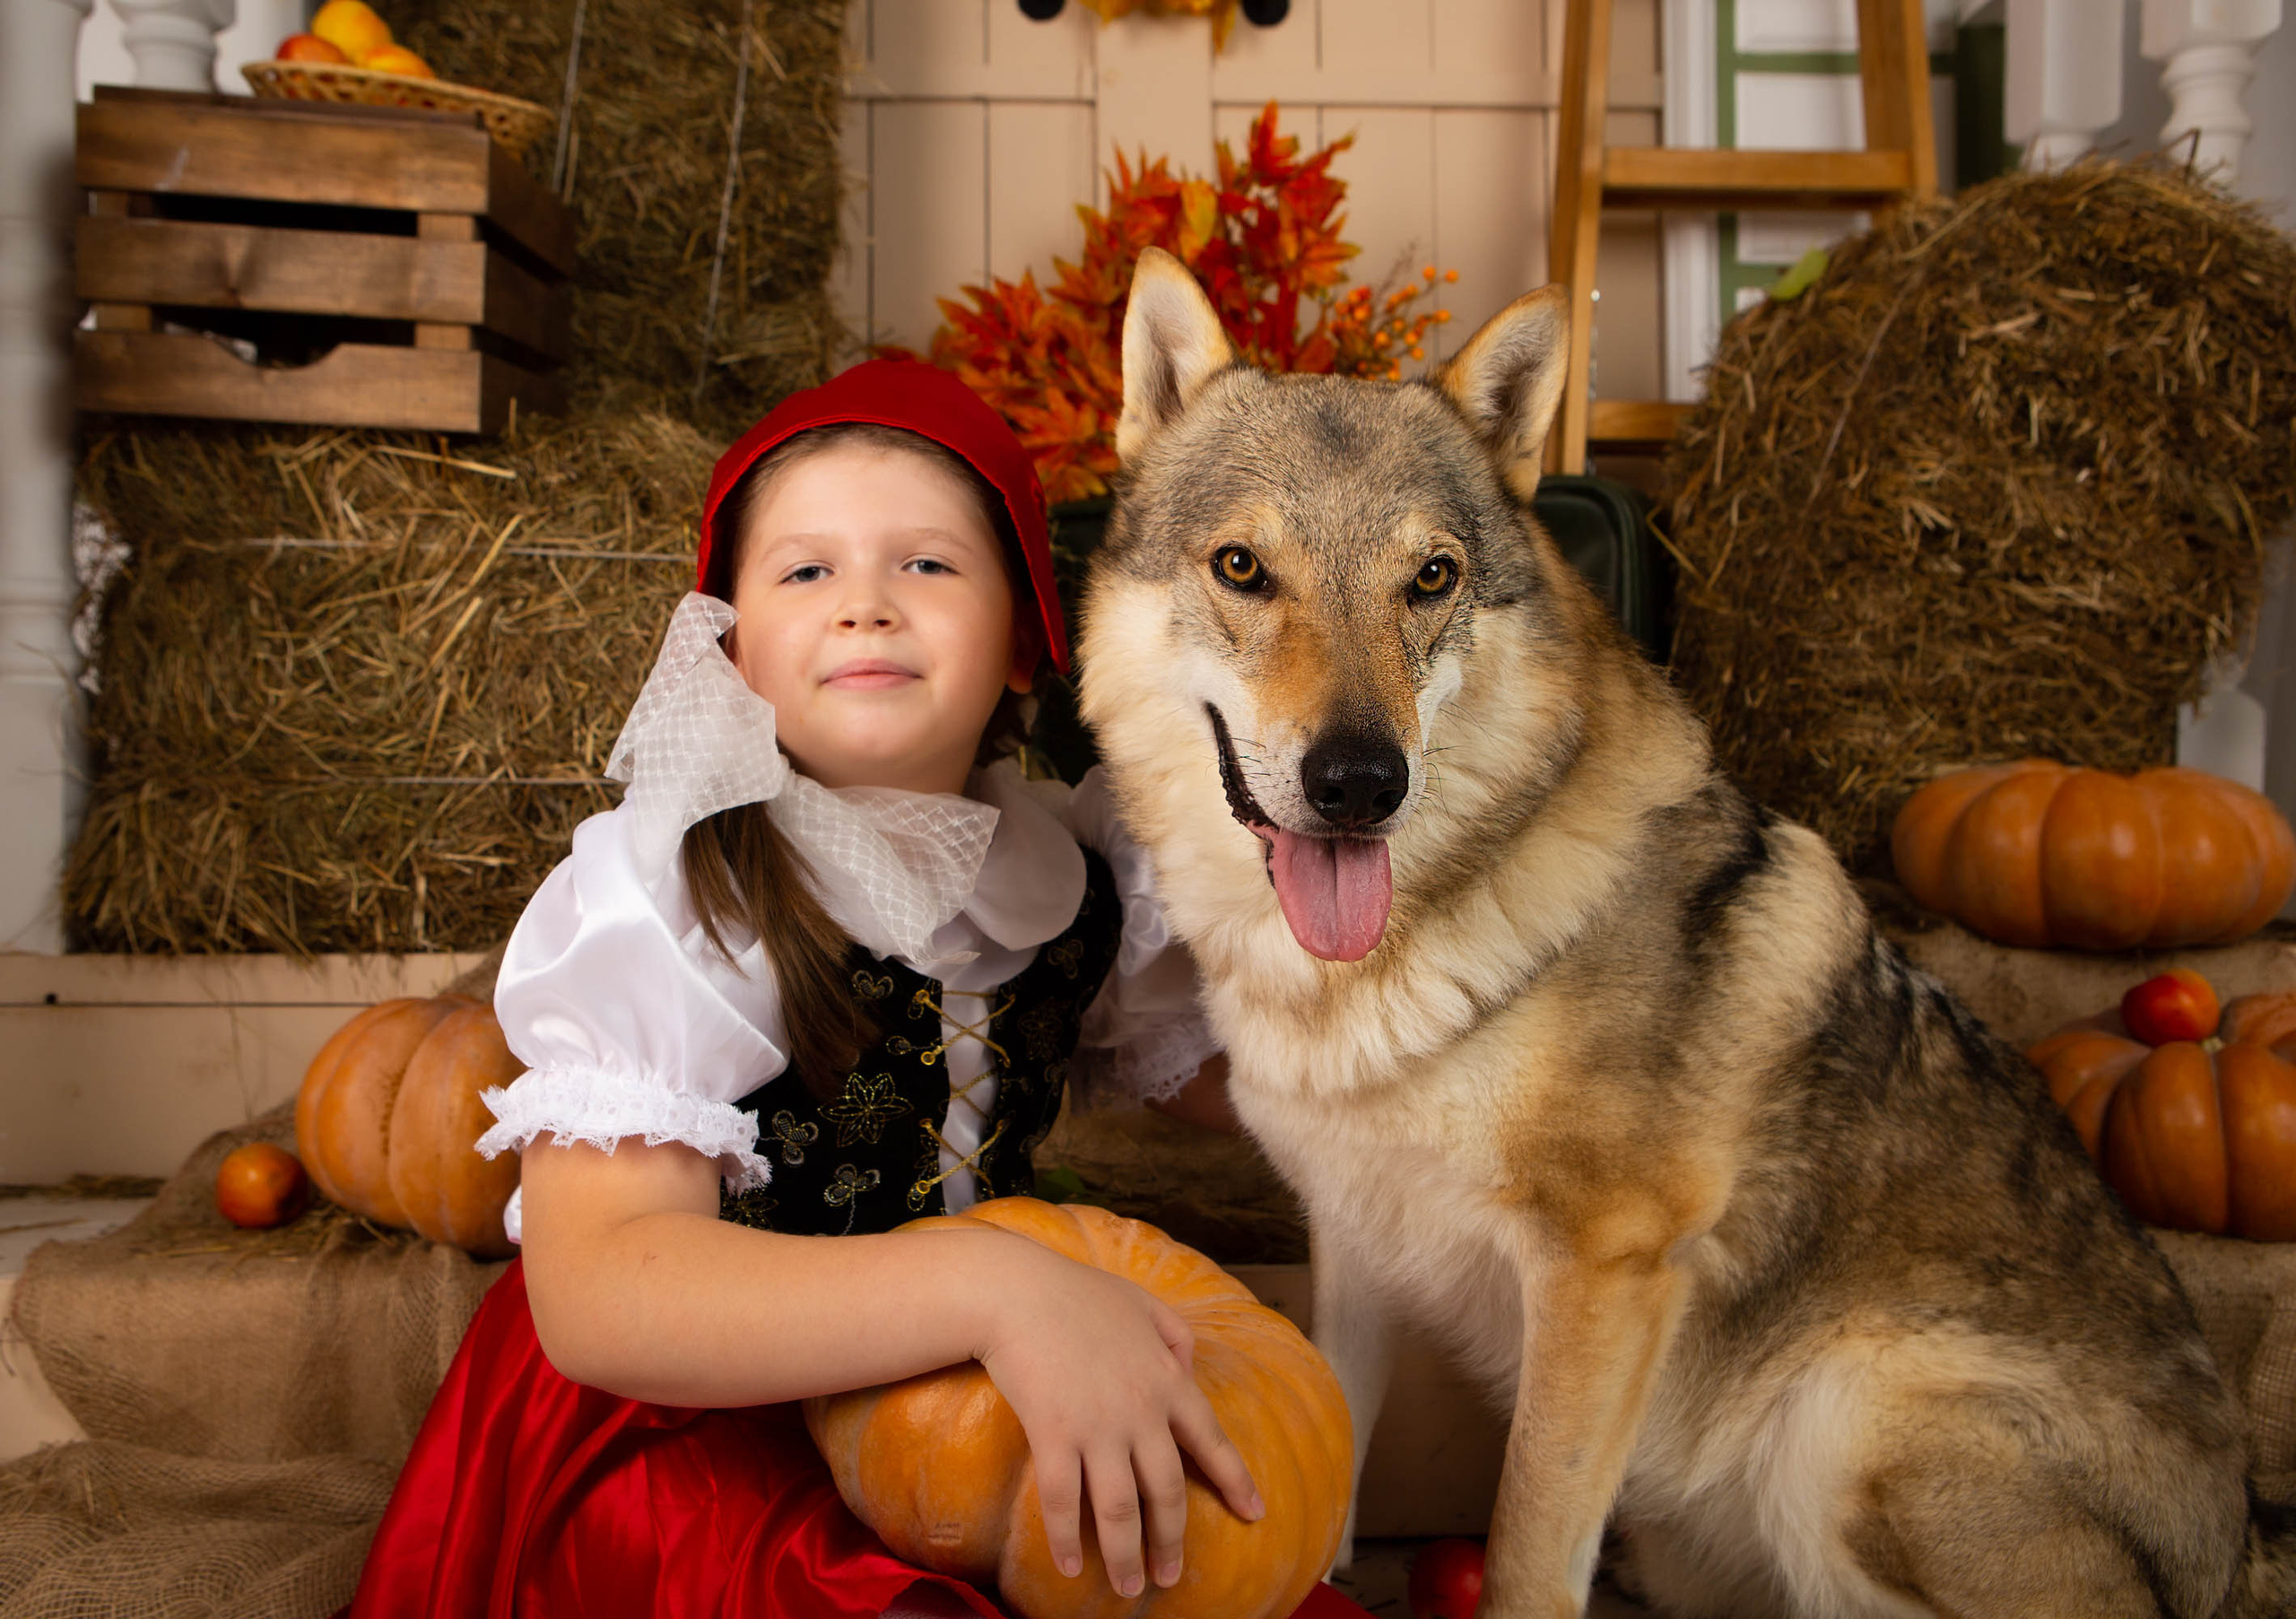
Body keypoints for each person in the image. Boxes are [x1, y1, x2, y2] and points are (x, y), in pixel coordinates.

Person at [343, 360, 1370, 1619]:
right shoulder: (679, 893)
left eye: (928, 566)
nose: (868, 606)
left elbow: (1239, 1084)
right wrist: (1002, 1290)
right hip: (703, 1411)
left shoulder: (1080, 870)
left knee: (1207, 1573)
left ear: (1023, 646)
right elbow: (602, 1291)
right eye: (805, 571)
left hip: (949, 1394)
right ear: (729, 648)